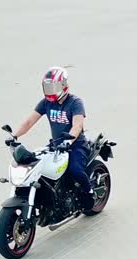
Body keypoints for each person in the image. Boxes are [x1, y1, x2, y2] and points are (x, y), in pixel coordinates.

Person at [11, 67, 93, 206]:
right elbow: (29, 121)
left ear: (63, 85)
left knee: (76, 170)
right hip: (56, 146)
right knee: (38, 169)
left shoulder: (75, 102)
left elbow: (77, 126)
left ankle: (89, 193)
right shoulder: (46, 103)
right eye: (47, 87)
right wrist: (14, 136)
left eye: (53, 87)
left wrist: (69, 140)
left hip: (76, 146)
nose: (50, 91)